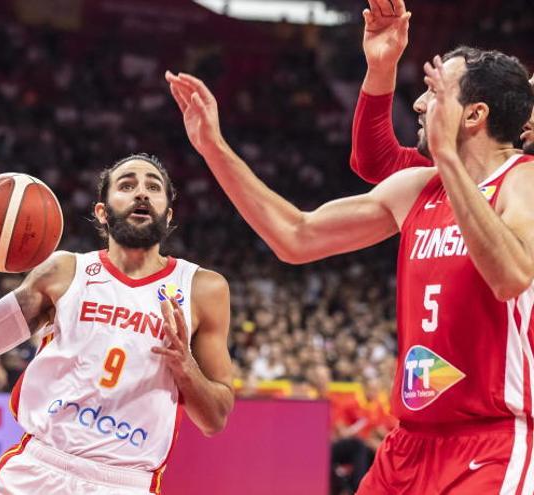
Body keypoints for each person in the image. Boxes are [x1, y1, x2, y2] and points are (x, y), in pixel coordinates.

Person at [166, 42, 534, 492]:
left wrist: (449, 159)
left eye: (435, 92)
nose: (418, 103)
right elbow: (296, 237)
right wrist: (214, 148)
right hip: (407, 446)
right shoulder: (416, 188)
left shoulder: (522, 180)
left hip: (488, 442)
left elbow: (511, 276)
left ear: (474, 115)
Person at [0, 154, 234, 494]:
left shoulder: (203, 289)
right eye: (127, 185)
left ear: (168, 215)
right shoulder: (63, 272)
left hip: (125, 482)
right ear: (102, 212)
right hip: (41, 470)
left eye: (153, 187)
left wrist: (186, 369)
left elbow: (215, 419)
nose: (141, 193)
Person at [349, 0, 534, 184]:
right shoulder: (448, 168)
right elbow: (377, 162)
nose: (526, 114)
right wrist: (381, 67)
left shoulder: (523, 178)